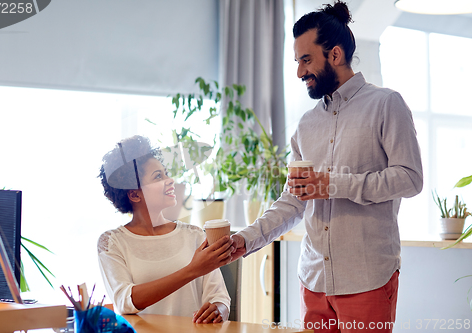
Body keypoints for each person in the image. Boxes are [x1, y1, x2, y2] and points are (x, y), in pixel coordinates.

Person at [230, 1, 423, 332]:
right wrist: (246, 240)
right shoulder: (306, 126)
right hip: (313, 282)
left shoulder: (386, 104)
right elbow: (294, 200)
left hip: (368, 279)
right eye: (297, 61)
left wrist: (333, 184)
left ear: (335, 55)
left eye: (306, 60)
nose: (299, 72)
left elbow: (409, 179)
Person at [97, 135, 232, 323]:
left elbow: (220, 298)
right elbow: (125, 301)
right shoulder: (112, 242)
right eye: (158, 176)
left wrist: (218, 310)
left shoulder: (194, 235)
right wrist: (192, 270)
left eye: (166, 173)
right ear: (135, 194)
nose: (170, 181)